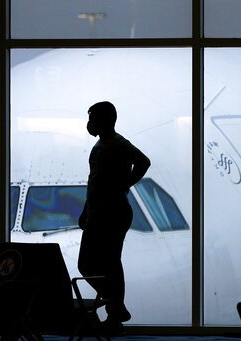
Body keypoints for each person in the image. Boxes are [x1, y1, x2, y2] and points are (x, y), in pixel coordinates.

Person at [77, 101, 151, 333]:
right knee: (92, 265)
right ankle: (116, 308)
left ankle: (114, 311)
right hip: (98, 213)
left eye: (93, 118)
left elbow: (143, 162)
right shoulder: (100, 145)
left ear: (107, 120)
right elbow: (95, 181)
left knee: (105, 265)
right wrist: (86, 210)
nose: (90, 124)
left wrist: (125, 184)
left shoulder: (118, 144)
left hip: (113, 214)